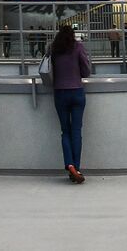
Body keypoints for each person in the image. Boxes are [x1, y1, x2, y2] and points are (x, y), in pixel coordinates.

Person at [49, 24, 92, 182]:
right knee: (76, 132)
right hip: (77, 92)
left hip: (60, 93)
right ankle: (77, 169)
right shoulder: (78, 47)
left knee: (65, 131)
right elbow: (86, 71)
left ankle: (69, 164)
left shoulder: (53, 48)